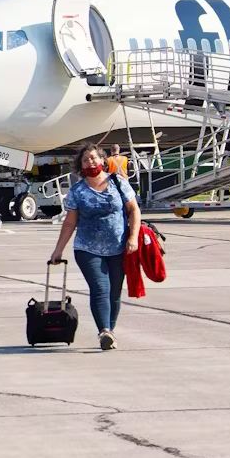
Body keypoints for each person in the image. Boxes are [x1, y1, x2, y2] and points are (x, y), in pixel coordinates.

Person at [48, 144, 140, 351]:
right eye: (85, 160)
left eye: (93, 158)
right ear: (80, 165)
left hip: (119, 247)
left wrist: (133, 237)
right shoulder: (77, 191)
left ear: (102, 160)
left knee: (114, 292)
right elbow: (70, 222)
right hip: (87, 249)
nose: (90, 162)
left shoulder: (118, 183)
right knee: (100, 288)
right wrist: (58, 250)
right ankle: (104, 330)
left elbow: (134, 210)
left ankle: (109, 332)